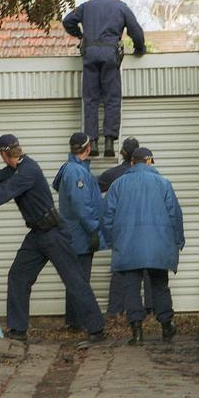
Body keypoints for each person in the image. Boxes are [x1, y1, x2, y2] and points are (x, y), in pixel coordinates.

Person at [0, 134, 105, 346]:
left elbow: (5, 190)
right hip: (37, 234)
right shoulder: (15, 169)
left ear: (4, 154)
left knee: (74, 280)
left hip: (54, 233)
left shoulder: (28, 170)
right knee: (18, 276)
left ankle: (97, 330)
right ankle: (18, 330)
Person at [102, 147, 184, 346]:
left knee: (131, 288)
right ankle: (166, 326)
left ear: (132, 163)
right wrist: (178, 240)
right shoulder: (164, 184)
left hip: (128, 245)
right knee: (159, 286)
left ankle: (137, 332)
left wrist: (112, 241)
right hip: (158, 245)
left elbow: (107, 218)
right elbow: (175, 214)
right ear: (149, 162)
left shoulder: (117, 185)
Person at [62, 0, 146, 158]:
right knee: (112, 98)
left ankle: (92, 142)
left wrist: (80, 35)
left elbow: (67, 21)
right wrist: (139, 48)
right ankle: (109, 142)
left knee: (91, 99)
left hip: (90, 54)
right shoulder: (121, 7)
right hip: (110, 55)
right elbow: (135, 30)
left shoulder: (87, 6)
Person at [52, 132, 105, 330]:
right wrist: (93, 229)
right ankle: (78, 321)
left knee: (76, 277)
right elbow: (81, 205)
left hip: (75, 232)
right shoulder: (76, 172)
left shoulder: (72, 169)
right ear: (88, 148)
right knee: (80, 278)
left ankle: (74, 320)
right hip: (80, 234)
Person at [98, 136, 154, 318]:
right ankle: (150, 308)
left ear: (122, 153)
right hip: (147, 229)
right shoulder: (152, 177)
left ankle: (115, 309)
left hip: (124, 230)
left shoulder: (113, 175)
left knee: (121, 270)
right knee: (148, 269)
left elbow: (92, 191)